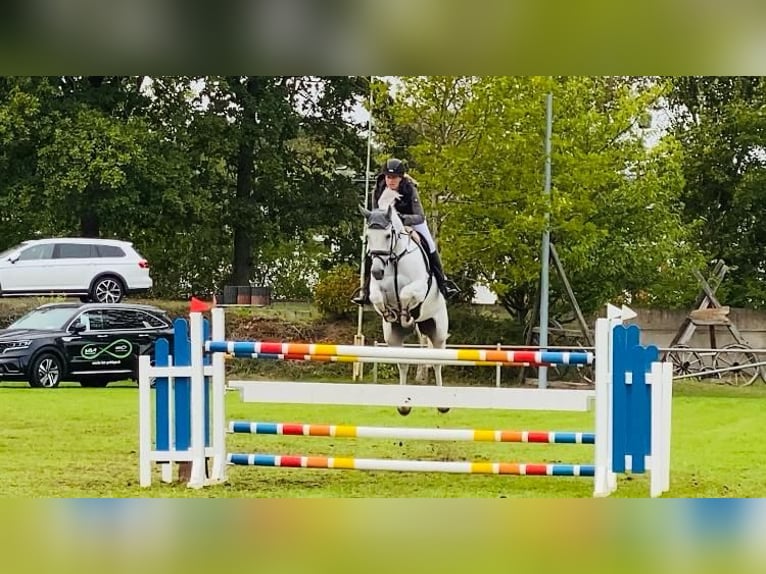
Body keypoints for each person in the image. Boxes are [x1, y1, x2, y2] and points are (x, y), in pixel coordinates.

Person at [351, 157, 460, 305]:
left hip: (411, 222)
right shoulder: (378, 190)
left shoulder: (409, 189)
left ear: (401, 178)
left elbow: (420, 217)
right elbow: (376, 214)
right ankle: (365, 291)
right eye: (389, 177)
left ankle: (444, 284)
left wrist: (402, 221)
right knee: (373, 249)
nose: (391, 181)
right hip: (388, 227)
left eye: (395, 178)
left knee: (430, 245)